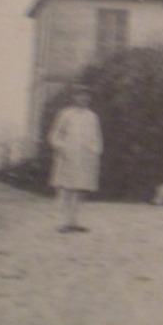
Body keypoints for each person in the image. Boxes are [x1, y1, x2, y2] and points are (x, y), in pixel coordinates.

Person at [49, 86, 103, 233]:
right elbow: (55, 135)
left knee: (80, 189)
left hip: (85, 157)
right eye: (80, 96)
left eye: (86, 96)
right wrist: (62, 148)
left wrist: (96, 151)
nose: (84, 99)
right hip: (68, 155)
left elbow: (96, 137)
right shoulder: (66, 114)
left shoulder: (92, 116)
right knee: (66, 189)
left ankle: (74, 221)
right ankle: (62, 222)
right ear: (74, 97)